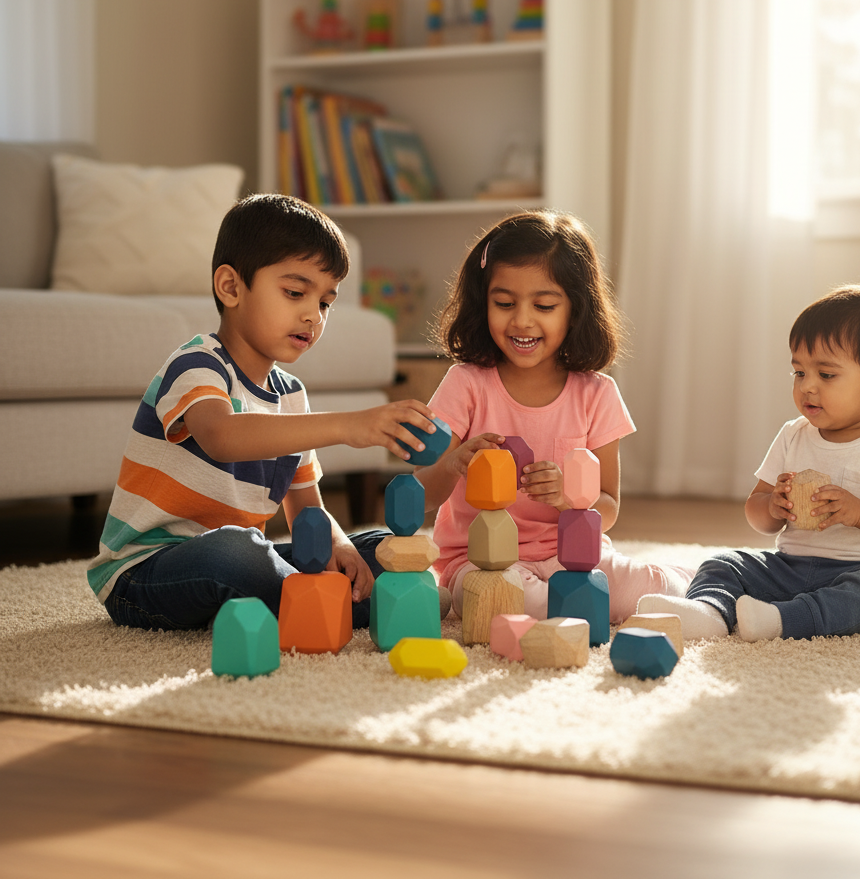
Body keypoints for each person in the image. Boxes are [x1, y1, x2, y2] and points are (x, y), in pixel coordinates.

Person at [87, 194, 437, 631]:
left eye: (325, 303)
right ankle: (343, 608)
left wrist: (340, 545)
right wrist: (348, 425)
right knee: (240, 553)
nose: (313, 316)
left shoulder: (290, 395)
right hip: (145, 573)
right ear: (231, 287)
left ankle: (335, 600)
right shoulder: (197, 363)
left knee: (382, 549)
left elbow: (307, 511)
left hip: (238, 560)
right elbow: (221, 435)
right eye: (295, 293)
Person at [414, 210, 695, 622]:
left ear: (575, 309)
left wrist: (569, 497)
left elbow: (608, 507)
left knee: (639, 590)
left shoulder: (597, 393)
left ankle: (696, 579)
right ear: (483, 302)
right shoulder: (465, 383)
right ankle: (573, 610)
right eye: (504, 303)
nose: (522, 320)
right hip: (481, 561)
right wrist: (453, 464)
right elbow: (422, 495)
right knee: (503, 602)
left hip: (573, 554)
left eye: (544, 305)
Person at [640, 284, 860, 642]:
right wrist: (773, 506)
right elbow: (757, 513)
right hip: (793, 568)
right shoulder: (793, 434)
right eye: (799, 372)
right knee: (723, 563)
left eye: (826, 375)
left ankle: (783, 620)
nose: (807, 387)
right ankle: (709, 612)